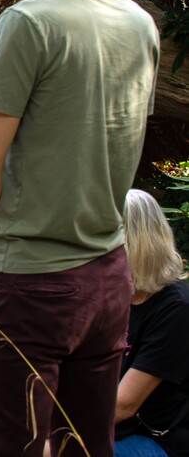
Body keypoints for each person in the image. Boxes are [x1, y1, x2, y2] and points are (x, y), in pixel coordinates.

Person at [0, 0, 161, 457]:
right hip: (107, 278)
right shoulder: (138, 23)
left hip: (28, 284)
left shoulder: (30, 23)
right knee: (85, 446)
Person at [114, 189, 189, 457]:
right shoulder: (116, 295)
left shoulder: (178, 309)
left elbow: (123, 405)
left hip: (157, 442)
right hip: (116, 430)